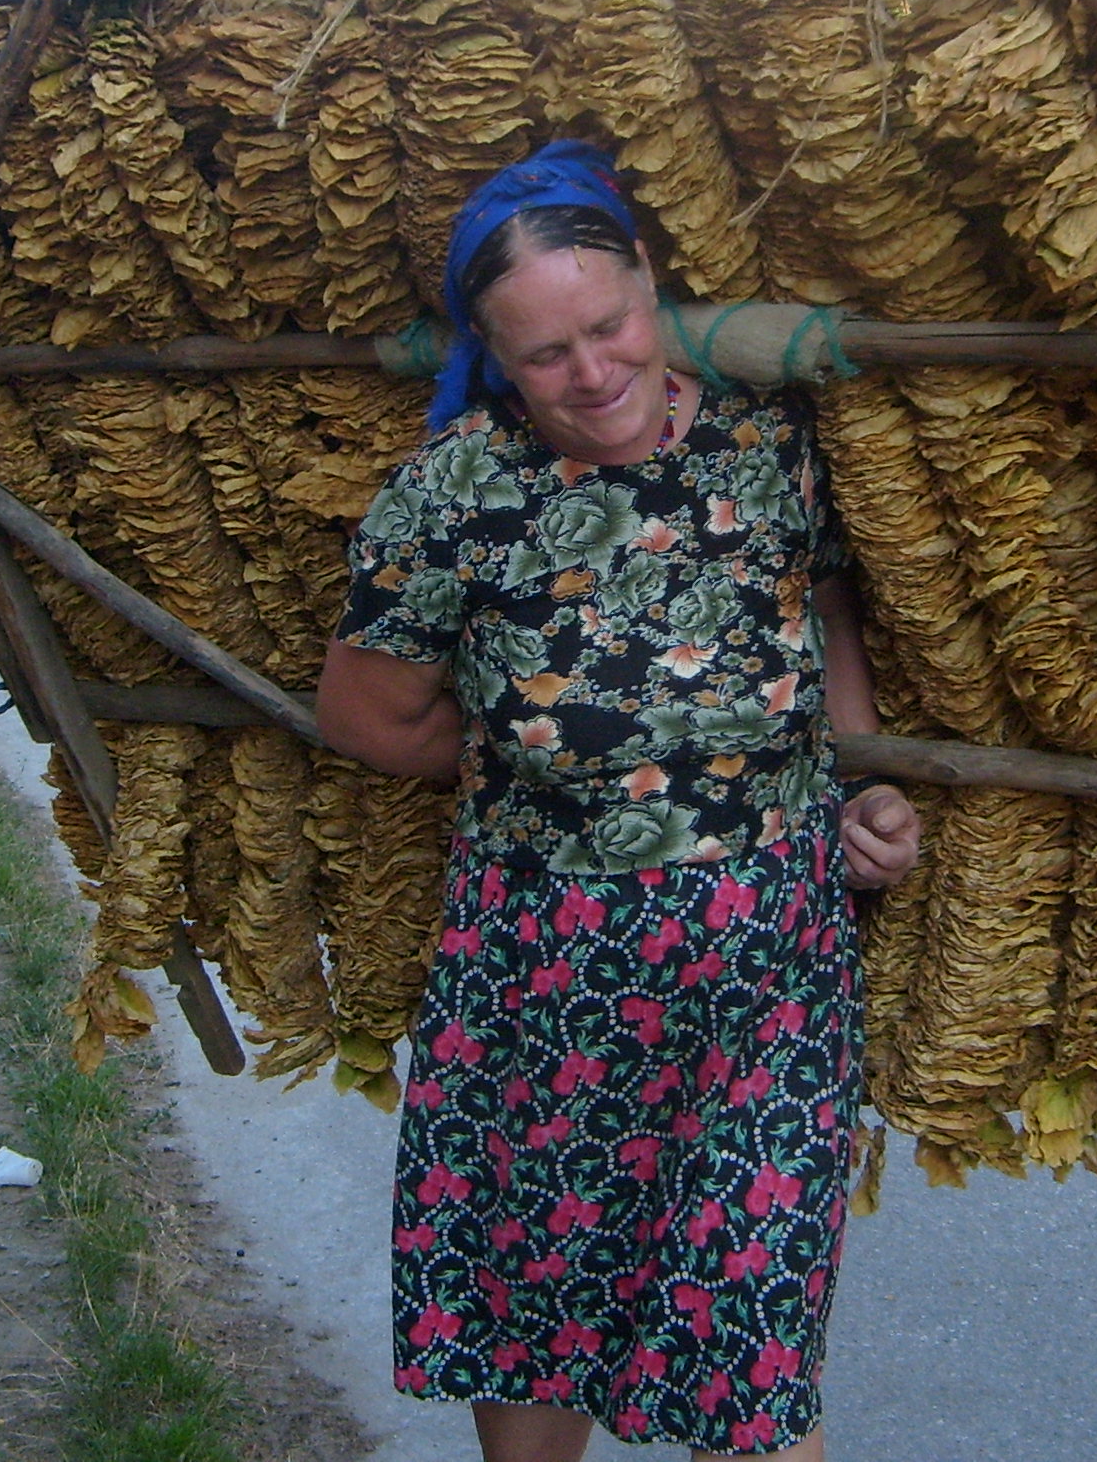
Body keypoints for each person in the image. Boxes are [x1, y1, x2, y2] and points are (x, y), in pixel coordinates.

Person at [318, 139, 923, 1462]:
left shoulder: (773, 445)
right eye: (545, 356)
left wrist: (856, 782)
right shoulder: (455, 493)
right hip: (538, 967)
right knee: (537, 1310)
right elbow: (365, 714)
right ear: (491, 356)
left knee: (754, 1342)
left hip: (766, 961)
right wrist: (569, 773)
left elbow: (824, 621)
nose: (592, 375)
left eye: (610, 326)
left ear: (651, 281)